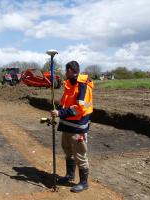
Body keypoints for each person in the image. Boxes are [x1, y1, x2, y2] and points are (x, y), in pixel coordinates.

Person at [52, 61, 94, 193]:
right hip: (67, 125)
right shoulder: (70, 84)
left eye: (66, 70)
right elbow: (65, 102)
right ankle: (70, 176)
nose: (65, 73)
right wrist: (58, 109)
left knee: (80, 154)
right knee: (68, 151)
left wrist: (60, 113)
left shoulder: (83, 86)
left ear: (71, 70)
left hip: (78, 126)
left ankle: (84, 183)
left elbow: (80, 108)